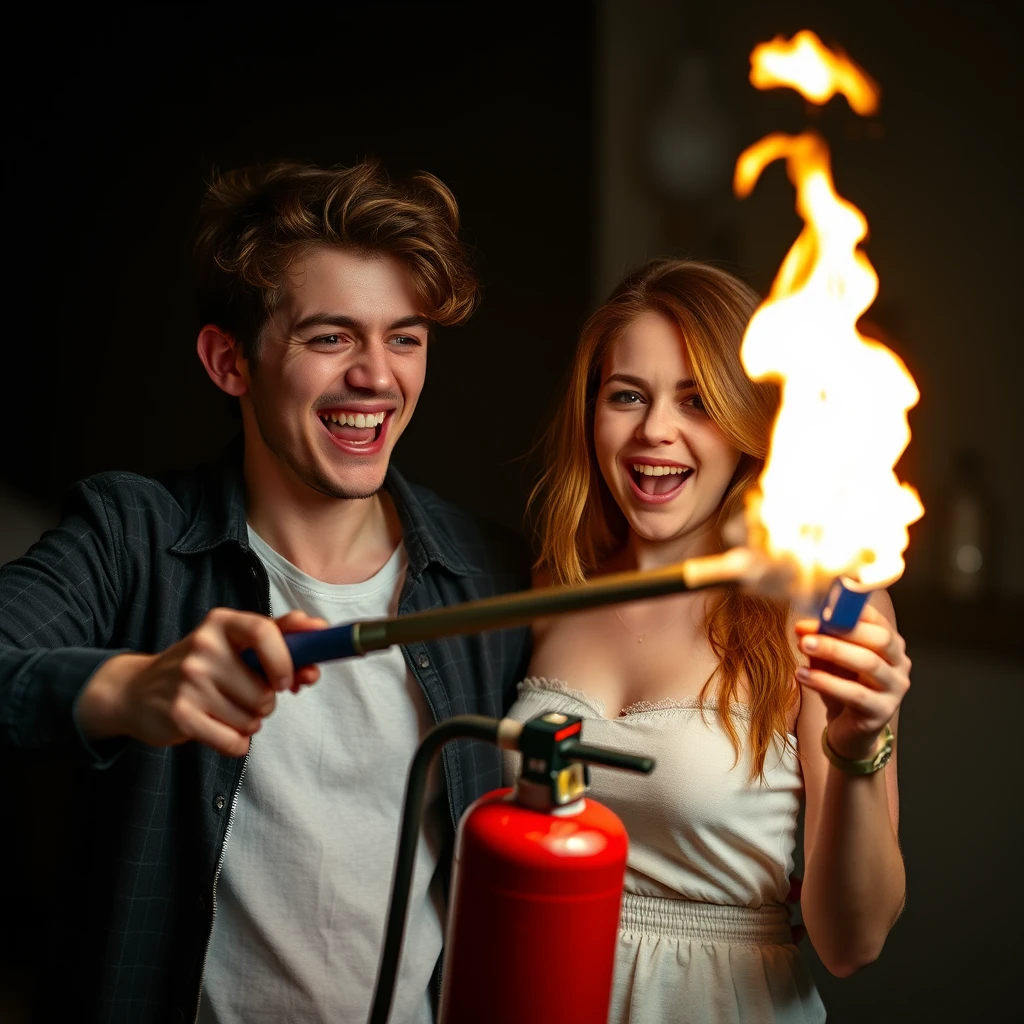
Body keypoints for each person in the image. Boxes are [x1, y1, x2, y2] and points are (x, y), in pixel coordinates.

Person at [0, 160, 531, 1023]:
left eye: (405, 337)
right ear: (229, 361)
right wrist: (128, 687)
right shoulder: (131, 536)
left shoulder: (492, 573)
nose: (377, 377)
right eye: (330, 338)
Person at [506, 259, 910, 1023]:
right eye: (627, 394)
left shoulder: (822, 611)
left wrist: (859, 748)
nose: (656, 429)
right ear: (591, 414)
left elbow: (851, 942)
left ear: (747, 423)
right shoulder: (547, 586)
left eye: (696, 400)